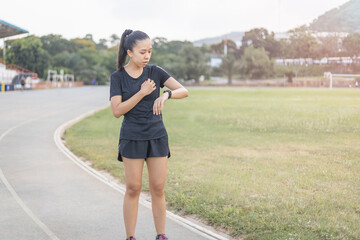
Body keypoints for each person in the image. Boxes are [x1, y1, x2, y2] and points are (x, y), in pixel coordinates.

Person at [109, 29, 189, 240]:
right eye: (142, 52)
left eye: (150, 51)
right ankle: (130, 237)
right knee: (133, 188)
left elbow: (184, 90)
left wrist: (166, 95)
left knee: (158, 188)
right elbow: (117, 111)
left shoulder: (155, 72)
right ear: (129, 52)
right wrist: (142, 93)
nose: (147, 56)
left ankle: (161, 235)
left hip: (156, 135)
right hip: (132, 136)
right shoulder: (118, 77)